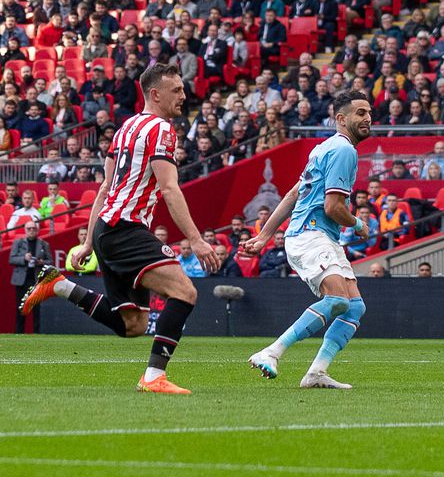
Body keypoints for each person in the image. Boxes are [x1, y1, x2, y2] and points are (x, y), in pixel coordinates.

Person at [20, 64, 218, 394]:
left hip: (107, 228)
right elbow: (169, 188)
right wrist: (196, 240)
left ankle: (60, 286)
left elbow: (104, 188)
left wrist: (88, 243)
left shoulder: (126, 127)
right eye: (177, 90)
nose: (184, 96)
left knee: (134, 325)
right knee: (185, 292)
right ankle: (154, 377)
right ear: (155, 94)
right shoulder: (162, 130)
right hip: (125, 229)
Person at [240, 90, 374, 390]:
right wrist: (358, 224)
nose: (367, 118)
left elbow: (293, 194)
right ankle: (271, 352)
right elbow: (333, 207)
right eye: (360, 113)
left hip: (318, 235)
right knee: (337, 299)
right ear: (341, 119)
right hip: (310, 234)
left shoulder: (322, 149)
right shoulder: (344, 151)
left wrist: (263, 236)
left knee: (354, 307)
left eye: (368, 112)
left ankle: (316, 373)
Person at [10, 220, 50, 333]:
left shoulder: (44, 244)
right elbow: (11, 259)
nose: (31, 230)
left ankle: (37, 333)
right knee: (21, 308)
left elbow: (50, 261)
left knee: (37, 309)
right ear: (25, 230)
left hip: (37, 280)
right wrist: (24, 258)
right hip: (21, 280)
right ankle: (19, 333)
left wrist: (41, 262)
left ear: (37, 230)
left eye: (33, 228)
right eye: (29, 228)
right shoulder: (18, 242)